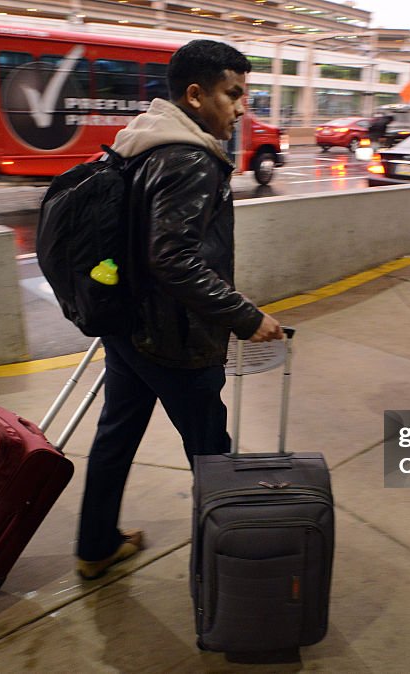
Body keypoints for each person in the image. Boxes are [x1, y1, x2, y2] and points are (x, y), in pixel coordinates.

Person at [75, 40, 284, 581]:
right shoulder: (189, 157)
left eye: (245, 95)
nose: (241, 108)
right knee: (213, 454)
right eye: (232, 94)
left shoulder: (139, 141)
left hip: (126, 325)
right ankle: (239, 575)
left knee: (117, 434)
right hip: (172, 340)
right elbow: (173, 260)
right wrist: (246, 316)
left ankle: (96, 545)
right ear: (195, 95)